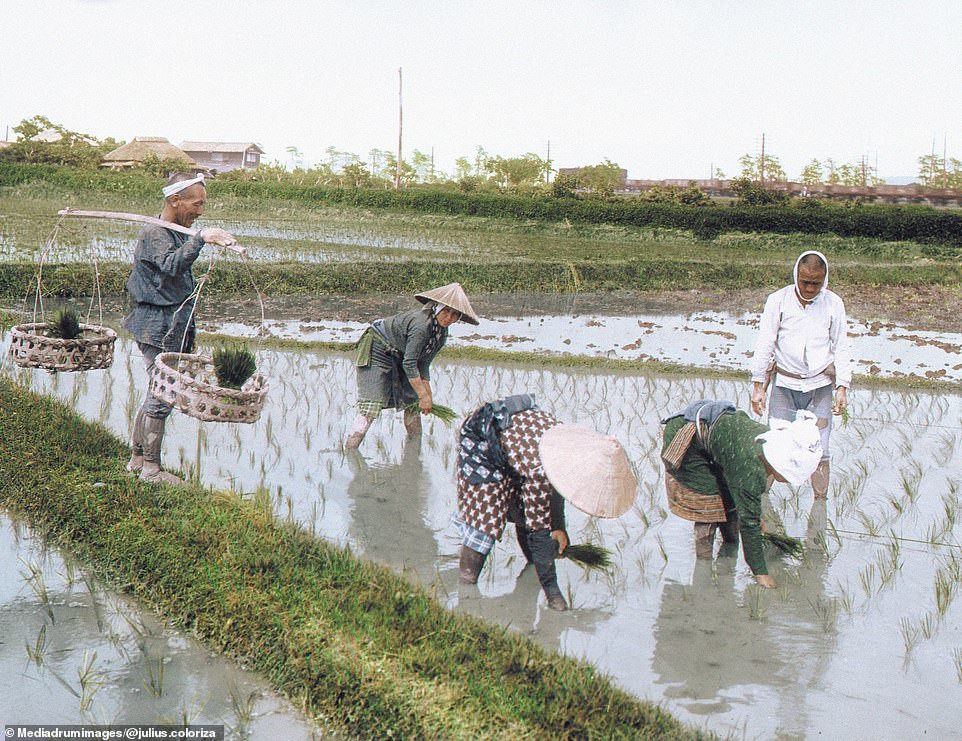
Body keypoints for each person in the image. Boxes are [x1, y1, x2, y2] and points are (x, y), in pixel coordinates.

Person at [453, 394, 636, 610]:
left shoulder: (566, 450)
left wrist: (559, 528)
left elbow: (556, 488)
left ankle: (532, 567)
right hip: (483, 438)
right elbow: (538, 531)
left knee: (525, 509)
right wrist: (553, 594)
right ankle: (466, 587)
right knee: (487, 520)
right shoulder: (540, 468)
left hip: (518, 445)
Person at [125, 172, 241, 484]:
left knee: (157, 389)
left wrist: (197, 238)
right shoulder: (155, 232)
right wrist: (201, 239)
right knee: (163, 392)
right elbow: (171, 265)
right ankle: (150, 468)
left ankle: (137, 459)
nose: (200, 210)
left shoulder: (175, 231)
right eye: (196, 204)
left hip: (172, 322)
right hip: (156, 323)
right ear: (175, 201)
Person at [661, 399, 822, 588]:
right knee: (708, 505)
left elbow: (745, 499)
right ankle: (703, 570)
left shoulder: (766, 440)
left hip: (717, 440)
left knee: (730, 504)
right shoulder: (750, 465)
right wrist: (760, 573)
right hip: (688, 444)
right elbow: (749, 522)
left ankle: (728, 553)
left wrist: (753, 514)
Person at [750, 250, 850, 499]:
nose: (808, 288)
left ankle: (820, 504)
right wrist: (758, 385)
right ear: (796, 274)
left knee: (820, 450)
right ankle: (760, 503)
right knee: (774, 447)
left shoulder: (833, 304)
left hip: (820, 388)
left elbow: (841, 346)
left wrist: (842, 387)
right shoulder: (778, 300)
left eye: (815, 283)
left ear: (824, 281)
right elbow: (765, 342)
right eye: (804, 281)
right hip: (784, 385)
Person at [345, 282, 480, 449]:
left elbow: (423, 363)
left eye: (455, 314)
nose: (449, 318)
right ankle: (350, 450)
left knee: (412, 402)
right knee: (371, 405)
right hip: (378, 347)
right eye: (446, 311)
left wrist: (426, 395)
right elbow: (410, 363)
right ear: (436, 308)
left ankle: (414, 455)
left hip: (400, 353)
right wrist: (424, 396)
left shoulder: (441, 333)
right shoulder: (422, 326)